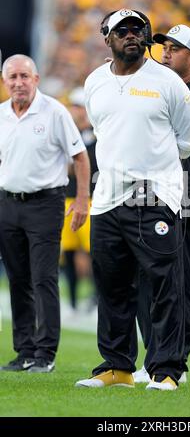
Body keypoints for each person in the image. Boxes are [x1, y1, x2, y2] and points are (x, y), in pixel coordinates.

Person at [75, 9, 190, 391]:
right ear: (107, 38)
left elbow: (189, 137)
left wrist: (155, 169)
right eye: (122, 30)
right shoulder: (95, 81)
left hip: (154, 197)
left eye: (137, 29)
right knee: (112, 286)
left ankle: (165, 370)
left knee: (164, 286)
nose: (131, 35)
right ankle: (117, 367)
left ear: (145, 37)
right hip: (108, 198)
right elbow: (102, 130)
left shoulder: (166, 81)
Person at [133, 24, 190, 384]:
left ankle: (174, 362)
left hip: (186, 189)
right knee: (145, 281)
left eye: (175, 48)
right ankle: (156, 358)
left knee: (181, 281)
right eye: (163, 46)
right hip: (147, 186)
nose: (165, 52)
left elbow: (172, 129)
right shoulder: (156, 89)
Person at [0, 55, 90, 373]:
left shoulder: (54, 112)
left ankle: (45, 353)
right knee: (18, 280)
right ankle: (24, 350)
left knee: (43, 279)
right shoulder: (1, 116)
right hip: (8, 203)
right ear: (4, 81)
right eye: (12, 77)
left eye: (25, 76)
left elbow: (80, 157)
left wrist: (81, 201)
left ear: (36, 79)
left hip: (45, 203)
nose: (18, 82)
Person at [61, 87, 98, 312]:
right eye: (75, 106)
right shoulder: (65, 135)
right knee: (68, 253)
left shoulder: (99, 136)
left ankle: (96, 298)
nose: (79, 111)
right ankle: (73, 301)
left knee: (96, 253)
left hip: (93, 199)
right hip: (66, 199)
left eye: (82, 106)